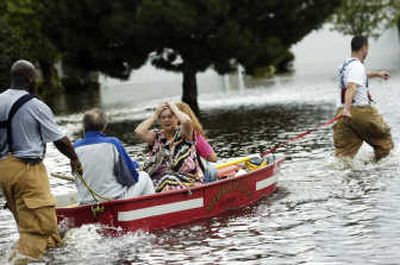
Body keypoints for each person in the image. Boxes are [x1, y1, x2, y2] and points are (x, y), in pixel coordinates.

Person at [0, 60, 82, 263]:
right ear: (30, 78)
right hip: (27, 169)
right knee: (39, 229)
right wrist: (74, 158)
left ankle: (56, 259)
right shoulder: (35, 105)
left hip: (4, 170)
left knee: (40, 227)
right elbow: (60, 140)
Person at [73, 108, 155, 204]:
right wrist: (134, 167)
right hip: (113, 201)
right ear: (104, 126)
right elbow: (132, 177)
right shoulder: (113, 143)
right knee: (144, 177)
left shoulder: (75, 147)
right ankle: (152, 211)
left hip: (85, 202)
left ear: (84, 126)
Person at [333, 36, 394, 161]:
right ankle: (381, 169)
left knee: (344, 155)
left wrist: (377, 74)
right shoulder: (357, 66)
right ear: (364, 48)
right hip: (359, 111)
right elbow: (352, 87)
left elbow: (360, 75)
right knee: (384, 142)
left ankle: (345, 177)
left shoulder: (345, 65)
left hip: (342, 115)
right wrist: (347, 109)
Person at [134, 102, 204, 192]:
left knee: (168, 179)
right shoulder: (156, 136)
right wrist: (155, 114)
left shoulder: (184, 134)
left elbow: (187, 121)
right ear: (160, 120)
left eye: (170, 116)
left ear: (176, 118)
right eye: (163, 117)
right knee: (144, 178)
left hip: (189, 180)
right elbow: (139, 131)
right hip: (160, 182)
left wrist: (174, 109)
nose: (166, 120)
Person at [175, 102, 218, 182]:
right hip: (195, 177)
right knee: (212, 167)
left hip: (179, 176)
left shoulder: (166, 136)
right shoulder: (195, 135)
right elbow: (213, 158)